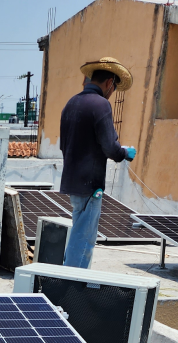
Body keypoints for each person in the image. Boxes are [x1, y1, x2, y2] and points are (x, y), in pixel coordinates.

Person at [59, 57, 137, 270]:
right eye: (114, 88)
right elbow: (110, 147)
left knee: (78, 232)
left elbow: (65, 144)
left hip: (72, 181)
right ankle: (73, 282)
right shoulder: (101, 105)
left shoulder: (71, 103)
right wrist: (124, 153)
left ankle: (68, 276)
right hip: (90, 184)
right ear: (110, 82)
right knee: (84, 240)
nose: (112, 92)